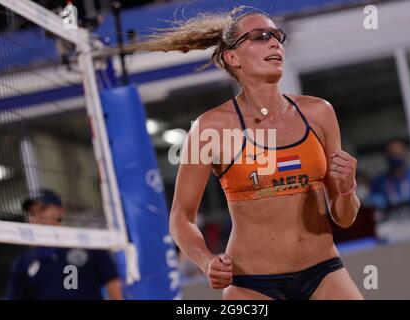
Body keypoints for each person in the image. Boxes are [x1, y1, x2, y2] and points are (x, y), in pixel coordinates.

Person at [136, 7, 363, 299]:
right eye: (260, 37)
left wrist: (346, 191)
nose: (274, 43)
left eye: (277, 37)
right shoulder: (211, 127)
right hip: (251, 285)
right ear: (233, 58)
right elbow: (181, 217)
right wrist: (207, 262)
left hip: (323, 272)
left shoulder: (319, 113)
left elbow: (344, 219)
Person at [5, 189, 123, 300]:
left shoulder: (88, 245)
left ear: (60, 211)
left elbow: (113, 284)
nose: (37, 216)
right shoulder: (22, 263)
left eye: (43, 209)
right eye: (32, 212)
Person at [369, 139, 410, 219]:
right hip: (392, 224)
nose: (395, 157)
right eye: (392, 154)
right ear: (386, 156)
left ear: (406, 154)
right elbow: (375, 203)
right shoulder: (379, 181)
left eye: (398, 153)